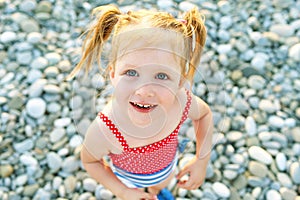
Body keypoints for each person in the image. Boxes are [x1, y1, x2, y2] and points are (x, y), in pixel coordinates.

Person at [68, 4, 213, 200]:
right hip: (128, 180)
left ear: (180, 81)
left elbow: (204, 115)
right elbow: (91, 161)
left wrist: (201, 160)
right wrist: (122, 191)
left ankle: (156, 191)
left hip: (167, 167)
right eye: (131, 72)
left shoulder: (181, 103)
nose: (144, 91)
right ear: (112, 74)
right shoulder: (107, 129)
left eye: (161, 75)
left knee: (160, 185)